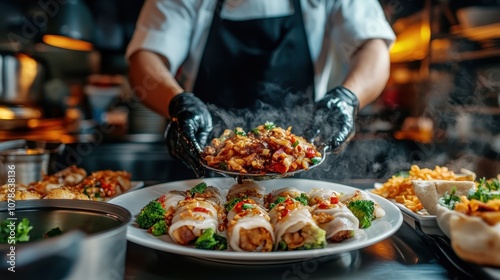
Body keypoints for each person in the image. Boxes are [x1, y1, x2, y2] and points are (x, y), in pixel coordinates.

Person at [126, 0, 396, 177]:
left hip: (299, 166)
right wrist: (178, 105)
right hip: (205, 162)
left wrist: (348, 98)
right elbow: (146, 58)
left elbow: (372, 46)